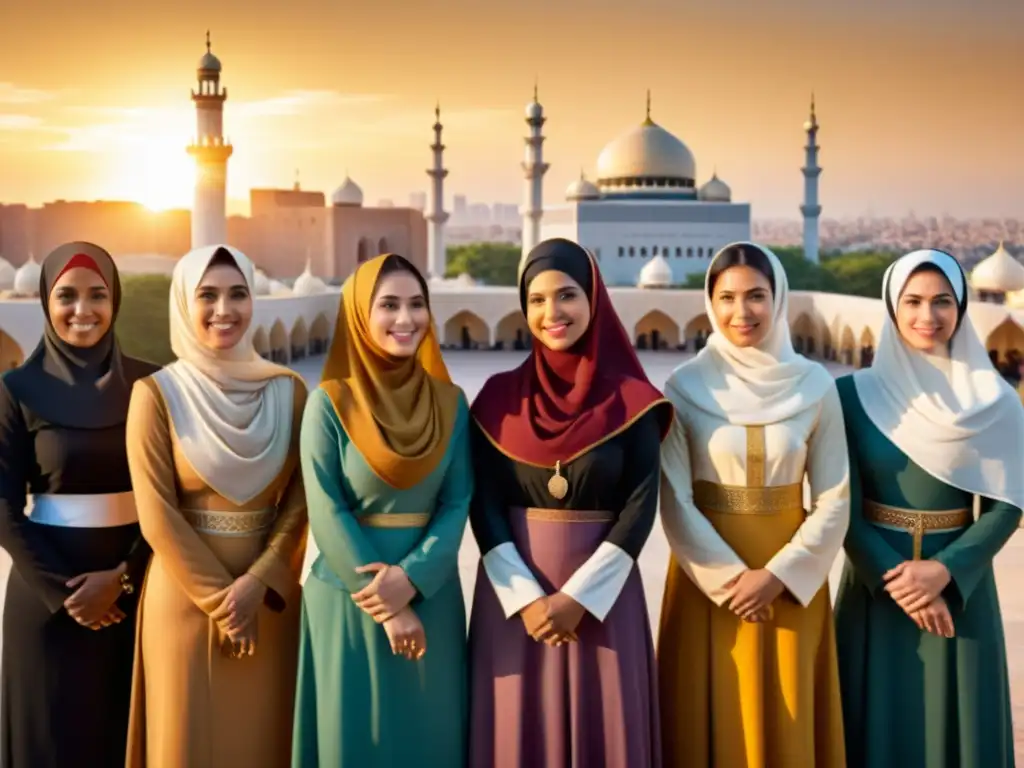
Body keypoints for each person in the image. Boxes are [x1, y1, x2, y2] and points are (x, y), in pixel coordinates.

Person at [468, 238, 672, 768]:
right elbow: (485, 506)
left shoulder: (633, 401)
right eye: (536, 300)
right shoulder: (497, 399)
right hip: (515, 605)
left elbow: (638, 508)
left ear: (594, 299)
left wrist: (579, 599)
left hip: (604, 603)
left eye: (567, 295)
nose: (551, 312)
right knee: (518, 730)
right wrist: (529, 600)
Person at [658, 241, 849, 766]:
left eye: (757, 296)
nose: (741, 312)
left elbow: (835, 496)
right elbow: (673, 497)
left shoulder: (814, 386)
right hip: (706, 584)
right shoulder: (686, 387)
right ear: (710, 303)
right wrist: (729, 581)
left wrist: (780, 575)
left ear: (779, 297)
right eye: (727, 297)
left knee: (787, 714)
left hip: (791, 584)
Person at [833, 249, 1022, 767]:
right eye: (912, 300)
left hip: (961, 590)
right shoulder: (852, 396)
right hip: (874, 589)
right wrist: (903, 585)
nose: (928, 316)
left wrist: (944, 571)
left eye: (943, 301)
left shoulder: (993, 400)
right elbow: (839, 506)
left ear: (961, 307)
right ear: (892, 307)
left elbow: (1008, 504)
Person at [124, 244, 308, 767]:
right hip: (184, 600)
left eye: (238, 294)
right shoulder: (156, 394)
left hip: (270, 601)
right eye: (207, 295)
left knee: (263, 741)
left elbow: (299, 505)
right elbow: (157, 514)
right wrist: (225, 603)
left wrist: (258, 584)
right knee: (187, 740)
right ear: (184, 302)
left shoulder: (288, 391)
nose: (224, 310)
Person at [292, 253, 471, 767]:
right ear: (358, 316)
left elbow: (457, 502)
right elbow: (325, 508)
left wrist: (412, 581)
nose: (405, 318)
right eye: (388, 305)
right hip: (351, 599)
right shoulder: (329, 403)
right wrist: (390, 604)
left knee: (428, 738)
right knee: (355, 741)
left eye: (417, 305)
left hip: (431, 595)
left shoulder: (451, 403)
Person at [0, 242, 158, 768]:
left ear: (116, 301)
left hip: (133, 597)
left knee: (123, 739)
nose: (82, 310)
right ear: (46, 300)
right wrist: (63, 594)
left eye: (98, 295)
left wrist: (123, 576)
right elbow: (3, 506)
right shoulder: (16, 389)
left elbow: (169, 497)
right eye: (67, 295)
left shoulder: (150, 384)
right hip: (46, 602)